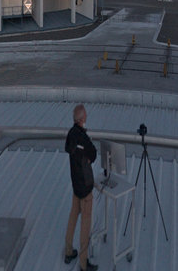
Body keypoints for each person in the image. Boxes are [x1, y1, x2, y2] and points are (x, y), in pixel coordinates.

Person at [64, 102, 98, 270]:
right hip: (85, 187)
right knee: (85, 223)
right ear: (82, 119)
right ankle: (84, 264)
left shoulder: (71, 134)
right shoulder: (83, 138)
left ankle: (68, 251)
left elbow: (70, 150)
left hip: (76, 184)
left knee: (73, 216)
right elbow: (93, 154)